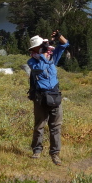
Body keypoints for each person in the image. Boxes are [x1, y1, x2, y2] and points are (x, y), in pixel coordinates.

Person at [27, 30, 68, 165]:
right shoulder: (32, 61)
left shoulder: (51, 57)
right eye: (40, 47)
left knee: (55, 126)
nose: (45, 48)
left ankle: (55, 154)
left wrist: (58, 37)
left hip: (54, 95)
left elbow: (64, 45)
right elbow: (41, 66)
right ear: (34, 49)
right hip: (40, 97)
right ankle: (37, 151)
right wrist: (44, 53)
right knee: (40, 125)